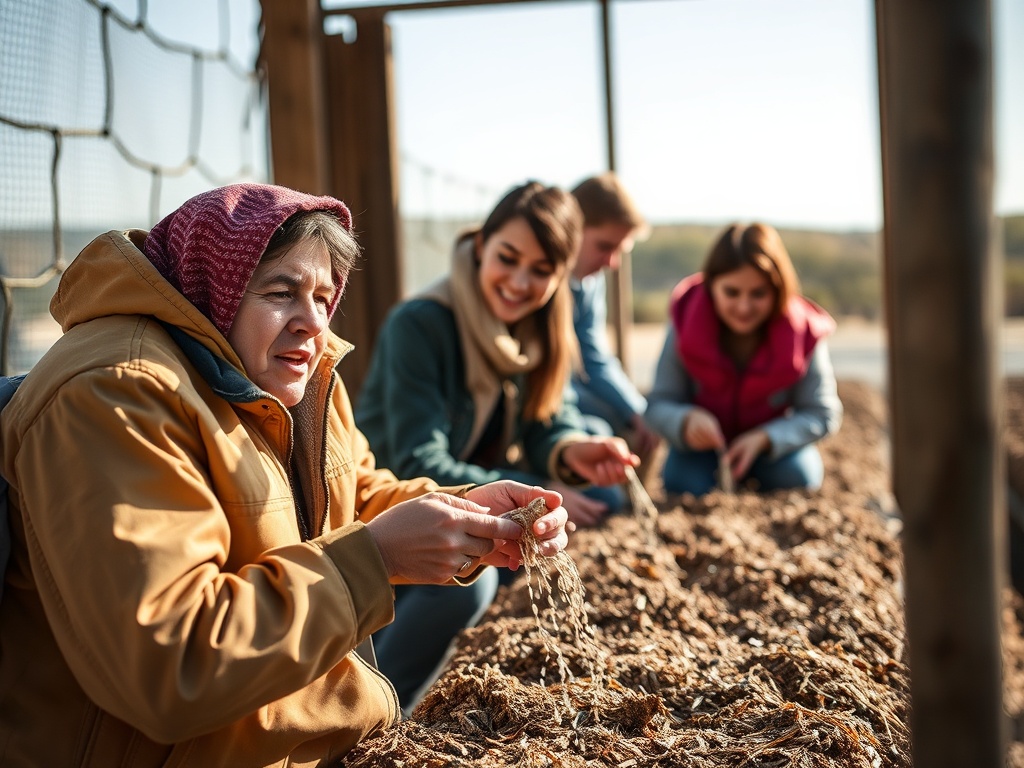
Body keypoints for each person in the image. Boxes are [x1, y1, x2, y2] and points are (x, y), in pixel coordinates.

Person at [0, 183, 572, 768]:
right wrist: (374, 559)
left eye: (325, 298)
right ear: (211, 286)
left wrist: (468, 508)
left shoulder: (293, 372)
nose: (313, 324)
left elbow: (356, 491)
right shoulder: (115, 394)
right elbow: (174, 664)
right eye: (281, 291)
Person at [354, 181, 638, 710]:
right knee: (471, 579)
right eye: (508, 258)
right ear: (481, 245)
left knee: (607, 500)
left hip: (475, 482)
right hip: (388, 509)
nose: (519, 281)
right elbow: (416, 459)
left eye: (541, 271)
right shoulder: (420, 325)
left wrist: (572, 450)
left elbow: (547, 420)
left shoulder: (539, 327)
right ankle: (375, 704)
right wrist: (542, 489)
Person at [645, 222, 843, 496]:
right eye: (732, 292)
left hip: (772, 451)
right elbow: (657, 405)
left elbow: (822, 413)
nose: (744, 306)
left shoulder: (804, 332)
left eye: (758, 293)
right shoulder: (684, 324)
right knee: (682, 482)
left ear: (778, 290)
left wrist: (765, 439)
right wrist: (685, 420)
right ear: (712, 286)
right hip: (702, 451)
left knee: (798, 476)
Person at [568, 173, 660, 468]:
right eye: (604, 246)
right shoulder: (533, 282)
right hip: (548, 407)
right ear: (570, 230)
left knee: (638, 424)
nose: (612, 263)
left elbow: (594, 357)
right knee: (599, 431)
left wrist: (636, 411)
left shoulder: (589, 282)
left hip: (573, 395)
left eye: (619, 250)